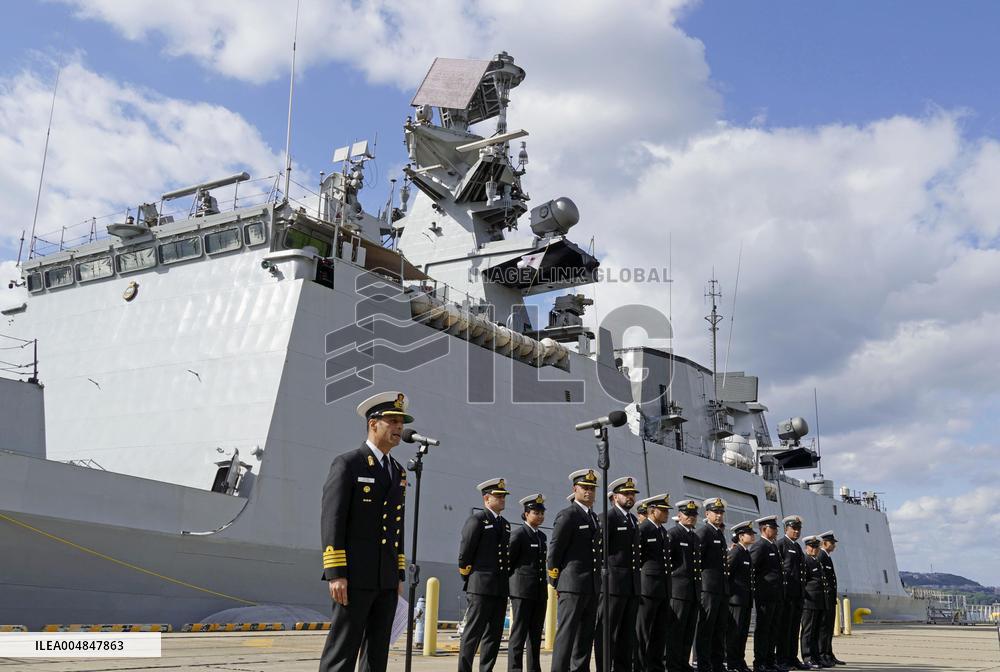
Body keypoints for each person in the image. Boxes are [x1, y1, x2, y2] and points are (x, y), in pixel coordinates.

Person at [319, 391, 411, 672]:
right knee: (343, 650)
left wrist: (397, 575)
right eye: (392, 421)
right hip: (354, 576)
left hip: (384, 579)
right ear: (373, 423)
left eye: (401, 423)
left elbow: (397, 526)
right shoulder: (349, 463)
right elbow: (333, 519)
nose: (399, 428)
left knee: (377, 653)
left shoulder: (398, 471)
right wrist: (336, 573)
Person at [548, 469, 603, 672]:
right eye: (585, 488)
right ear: (575, 489)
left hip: (591, 585)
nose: (589, 492)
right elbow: (555, 551)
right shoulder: (568, 515)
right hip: (572, 585)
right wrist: (556, 581)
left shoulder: (593, 518)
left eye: (592, 489)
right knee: (567, 635)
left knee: (585, 636)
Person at [457, 477, 512, 672]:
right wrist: (470, 578)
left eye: (503, 496)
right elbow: (465, 553)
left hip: (499, 588)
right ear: (486, 499)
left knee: (494, 635)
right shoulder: (477, 520)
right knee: (473, 633)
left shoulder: (505, 524)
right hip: (480, 586)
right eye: (498, 496)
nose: (503, 499)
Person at [594, 476, 641, 672]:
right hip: (613, 585)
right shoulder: (607, 518)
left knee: (626, 635)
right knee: (607, 633)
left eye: (632, 494)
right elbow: (599, 552)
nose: (630, 497)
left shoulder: (632, 519)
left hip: (630, 586)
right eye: (626, 494)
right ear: (614, 497)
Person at [507, 494, 548, 672]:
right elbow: (509, 563)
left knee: (536, 635)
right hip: (522, 591)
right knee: (519, 634)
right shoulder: (518, 535)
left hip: (539, 592)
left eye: (541, 513)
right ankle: (515, 669)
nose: (539, 516)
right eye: (535, 512)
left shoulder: (542, 537)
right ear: (525, 514)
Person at [635, 494, 673, 672]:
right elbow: (636, 559)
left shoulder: (663, 532)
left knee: (660, 632)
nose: (666, 514)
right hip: (647, 589)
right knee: (643, 631)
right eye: (663, 510)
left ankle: (655, 666)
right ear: (652, 511)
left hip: (663, 589)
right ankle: (640, 666)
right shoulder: (643, 529)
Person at [665, 499, 702, 672]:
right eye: (688, 515)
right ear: (679, 515)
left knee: (688, 630)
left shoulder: (694, 537)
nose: (691, 518)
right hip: (678, 590)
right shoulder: (673, 534)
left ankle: (683, 662)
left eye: (694, 515)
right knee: (676, 630)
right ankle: (673, 665)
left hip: (693, 590)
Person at [695, 497, 729, 672]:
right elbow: (697, 561)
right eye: (715, 512)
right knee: (706, 627)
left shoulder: (719, 534)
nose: (719, 515)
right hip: (708, 588)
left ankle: (717, 663)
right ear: (707, 514)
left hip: (721, 589)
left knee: (719, 628)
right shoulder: (704, 533)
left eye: (721, 512)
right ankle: (703, 663)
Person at [750, 515, 784, 672]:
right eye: (773, 528)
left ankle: (771, 660)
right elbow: (752, 570)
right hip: (765, 595)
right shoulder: (760, 546)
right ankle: (760, 662)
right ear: (764, 529)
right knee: (763, 629)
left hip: (775, 595)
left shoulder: (773, 546)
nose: (776, 531)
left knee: (774, 629)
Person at [777, 515, 807, 670]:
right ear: (786, 529)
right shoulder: (781, 544)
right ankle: (782, 659)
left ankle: (792, 657)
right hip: (786, 595)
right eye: (793, 528)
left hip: (797, 595)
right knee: (784, 629)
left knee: (794, 628)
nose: (796, 531)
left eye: (798, 529)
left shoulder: (797, 547)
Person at [726, 520, 756, 672]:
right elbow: (727, 575)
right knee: (734, 633)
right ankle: (732, 662)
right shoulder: (736, 552)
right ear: (740, 536)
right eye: (749, 534)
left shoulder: (745, 552)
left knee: (743, 633)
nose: (752, 536)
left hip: (745, 599)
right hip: (735, 600)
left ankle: (739, 660)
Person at [799, 536, 828, 669]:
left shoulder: (816, 561)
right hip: (809, 602)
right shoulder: (805, 560)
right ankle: (807, 657)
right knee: (808, 631)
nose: (815, 549)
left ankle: (816, 657)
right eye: (812, 547)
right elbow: (803, 582)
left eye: (816, 547)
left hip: (818, 601)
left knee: (816, 631)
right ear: (807, 547)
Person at [817, 531, 845, 667]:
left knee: (829, 628)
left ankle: (829, 653)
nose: (834, 545)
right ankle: (823, 654)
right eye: (832, 543)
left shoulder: (827, 557)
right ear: (824, 543)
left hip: (830, 598)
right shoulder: (821, 556)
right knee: (824, 628)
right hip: (825, 598)